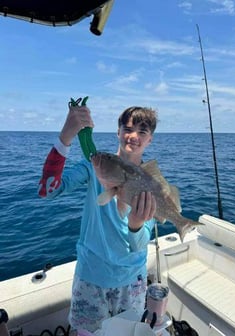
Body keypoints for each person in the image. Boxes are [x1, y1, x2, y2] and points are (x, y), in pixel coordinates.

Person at [38, 102, 158, 335]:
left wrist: (136, 225)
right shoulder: (96, 165)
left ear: (150, 139)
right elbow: (47, 191)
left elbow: (138, 244)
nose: (133, 136)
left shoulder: (150, 183)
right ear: (118, 132)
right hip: (91, 278)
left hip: (131, 281)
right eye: (127, 129)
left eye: (142, 132)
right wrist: (66, 136)